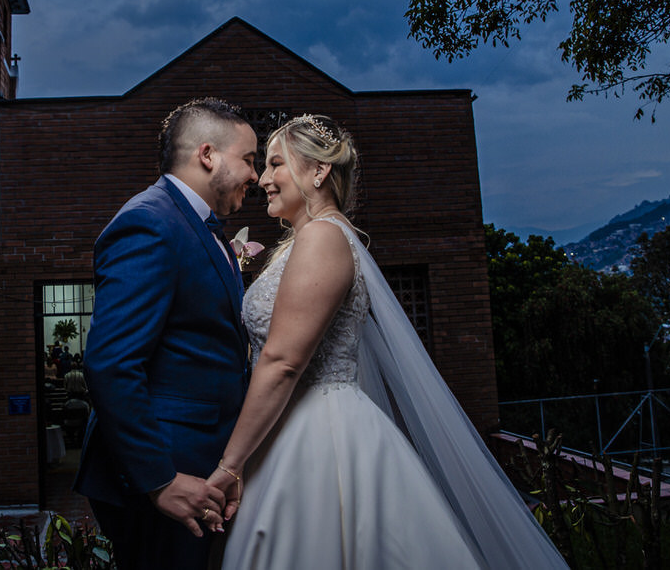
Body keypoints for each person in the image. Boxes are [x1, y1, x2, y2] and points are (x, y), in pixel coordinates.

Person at [206, 115, 568, 569]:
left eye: (276, 164)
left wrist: (229, 465)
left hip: (320, 439)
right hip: (289, 427)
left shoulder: (322, 238)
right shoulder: (311, 240)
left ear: (319, 171)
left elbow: (281, 361)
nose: (263, 179)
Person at [74, 97, 259, 570]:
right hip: (167, 472)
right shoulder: (150, 222)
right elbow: (111, 363)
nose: (255, 176)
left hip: (198, 463)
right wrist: (159, 480)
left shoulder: (202, 227)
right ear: (207, 155)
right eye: (249, 160)